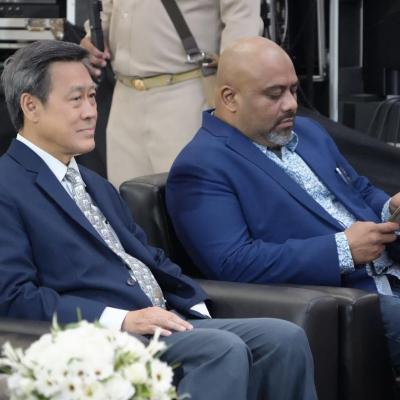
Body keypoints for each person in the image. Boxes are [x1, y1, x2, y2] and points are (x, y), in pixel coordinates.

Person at [0, 40, 318, 400]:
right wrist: (121, 319)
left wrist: (194, 307)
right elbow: (12, 296)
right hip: (104, 336)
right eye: (76, 100)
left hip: (162, 320)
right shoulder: (7, 187)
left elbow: (149, 259)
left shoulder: (95, 183)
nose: (90, 112)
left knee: (285, 338)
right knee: (220, 349)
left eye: (92, 97)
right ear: (31, 106)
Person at [165, 36, 400, 368]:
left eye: (293, 90)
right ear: (230, 98)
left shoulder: (309, 133)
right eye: (275, 95)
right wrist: (342, 250)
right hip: (347, 299)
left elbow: (358, 190)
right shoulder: (202, 166)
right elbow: (232, 263)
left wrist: (390, 208)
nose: (291, 104)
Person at [80, 0, 263, 187]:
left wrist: (233, 87)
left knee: (191, 193)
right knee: (125, 196)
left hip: (186, 96)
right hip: (123, 97)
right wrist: (92, 40)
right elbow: (107, 12)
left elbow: (241, 18)